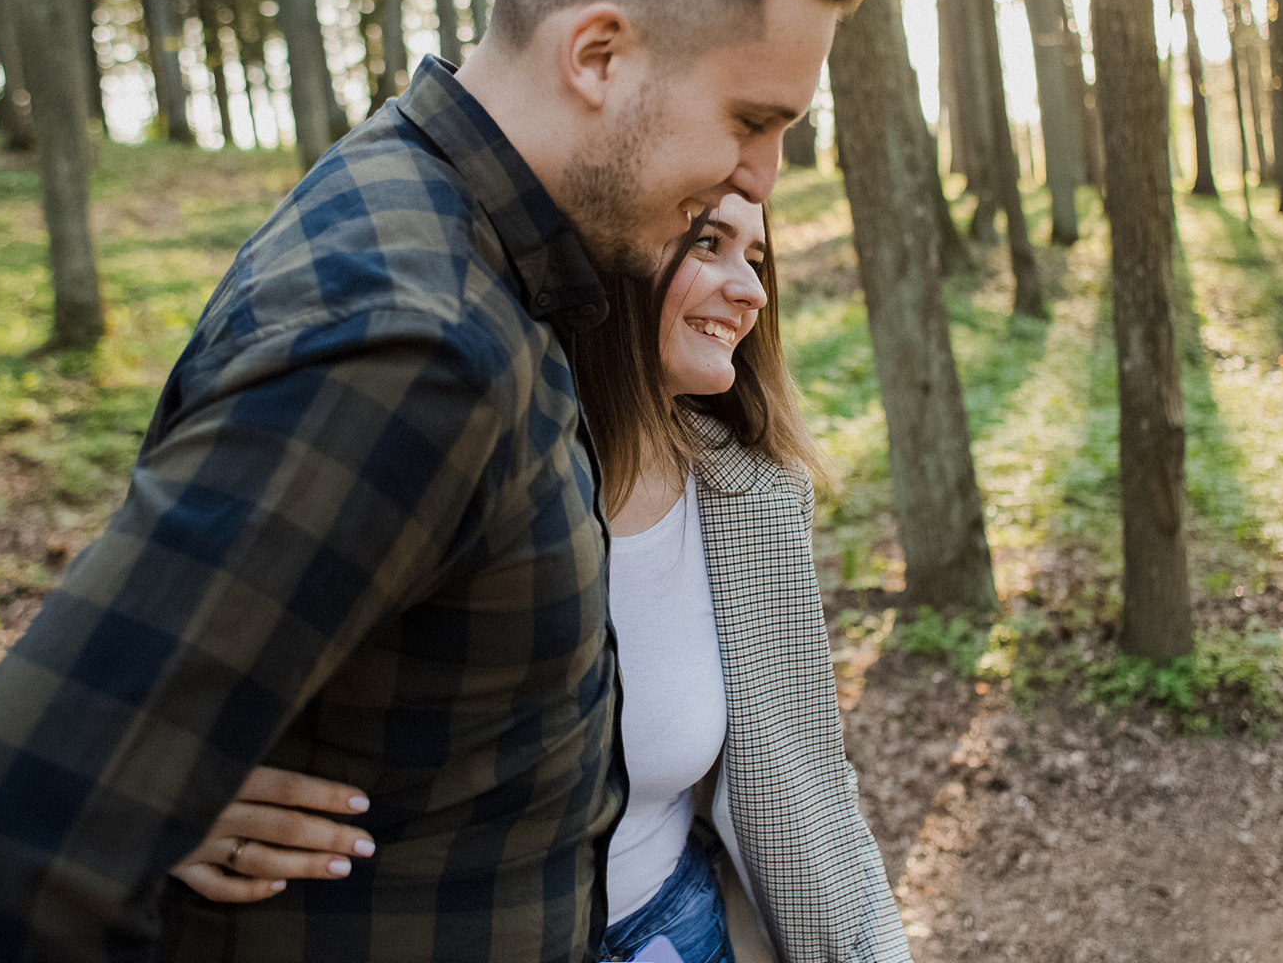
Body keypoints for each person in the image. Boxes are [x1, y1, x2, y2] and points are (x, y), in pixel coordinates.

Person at [0, 0, 875, 963]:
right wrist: (136, 792)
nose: (758, 175)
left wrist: (170, 766)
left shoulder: (492, 249)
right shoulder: (416, 341)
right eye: (753, 121)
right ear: (598, 56)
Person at [176, 197, 912, 963]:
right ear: (605, 253)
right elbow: (154, 670)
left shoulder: (749, 495)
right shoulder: (463, 458)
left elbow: (809, 789)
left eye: (755, 259)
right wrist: (153, 803)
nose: (752, 290)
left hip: (674, 933)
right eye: (708, 244)